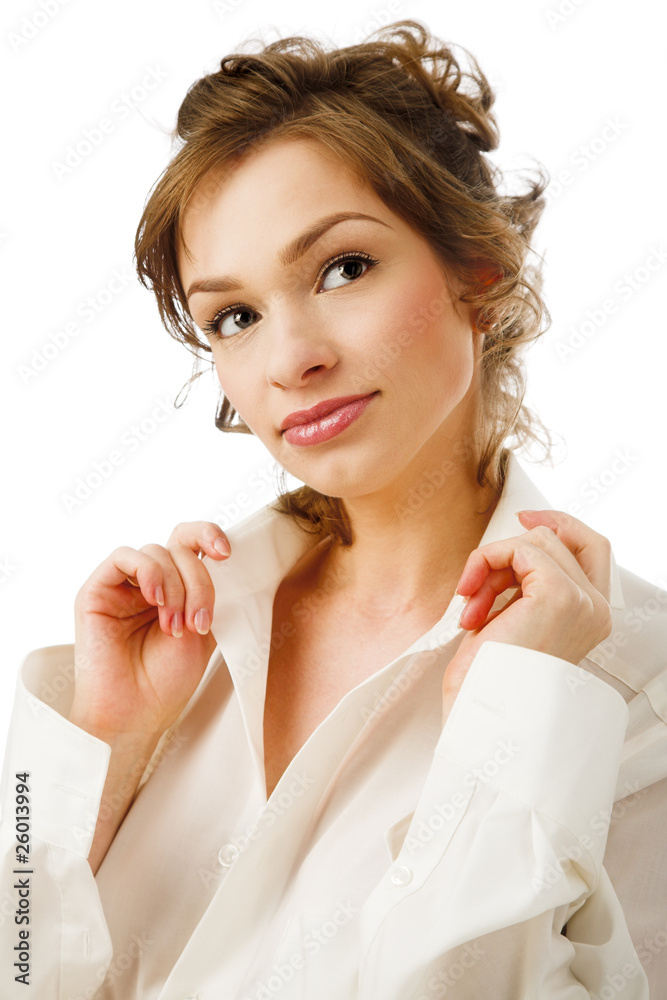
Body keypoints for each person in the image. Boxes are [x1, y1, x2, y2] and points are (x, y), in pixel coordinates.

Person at [1, 18, 665, 1000]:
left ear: (478, 271)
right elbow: (16, 964)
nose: (289, 359)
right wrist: (107, 740)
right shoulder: (174, 643)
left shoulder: (627, 684)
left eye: (343, 267)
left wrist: (515, 719)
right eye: (235, 316)